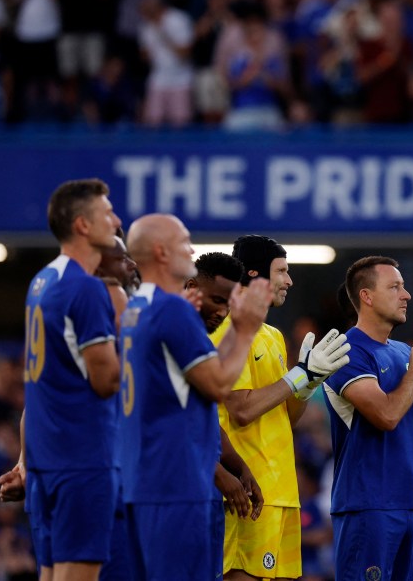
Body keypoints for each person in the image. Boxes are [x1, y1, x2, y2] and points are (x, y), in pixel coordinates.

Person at [119, 213, 272, 580]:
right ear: (160, 251)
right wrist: (245, 327)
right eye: (184, 241)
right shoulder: (171, 309)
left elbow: (193, 401)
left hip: (147, 479)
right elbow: (218, 385)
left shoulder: (134, 310)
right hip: (177, 483)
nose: (191, 248)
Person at [212, 235, 350, 581]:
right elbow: (241, 409)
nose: (289, 281)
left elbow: (288, 415)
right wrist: (298, 376)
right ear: (255, 274)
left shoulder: (273, 335)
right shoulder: (226, 329)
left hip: (283, 491)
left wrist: (307, 384)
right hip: (246, 487)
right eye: (282, 271)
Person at [16, 178, 122, 581]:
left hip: (47, 457)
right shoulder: (86, 288)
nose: (115, 219)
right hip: (81, 458)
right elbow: (106, 380)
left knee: (53, 573)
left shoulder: (42, 281)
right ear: (82, 224)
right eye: (107, 212)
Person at [321, 255, 413, 580]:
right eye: (395, 287)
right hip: (366, 507)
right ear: (367, 296)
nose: (407, 295)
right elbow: (387, 416)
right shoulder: (346, 351)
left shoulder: (404, 352)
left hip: (410, 506)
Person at [185, 252, 265, 578]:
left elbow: (204, 416)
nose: (222, 312)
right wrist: (219, 474)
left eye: (228, 303)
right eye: (217, 300)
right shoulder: (173, 335)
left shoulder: (199, 341)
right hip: (175, 492)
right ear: (192, 287)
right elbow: (171, 421)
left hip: (203, 494)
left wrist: (239, 466)